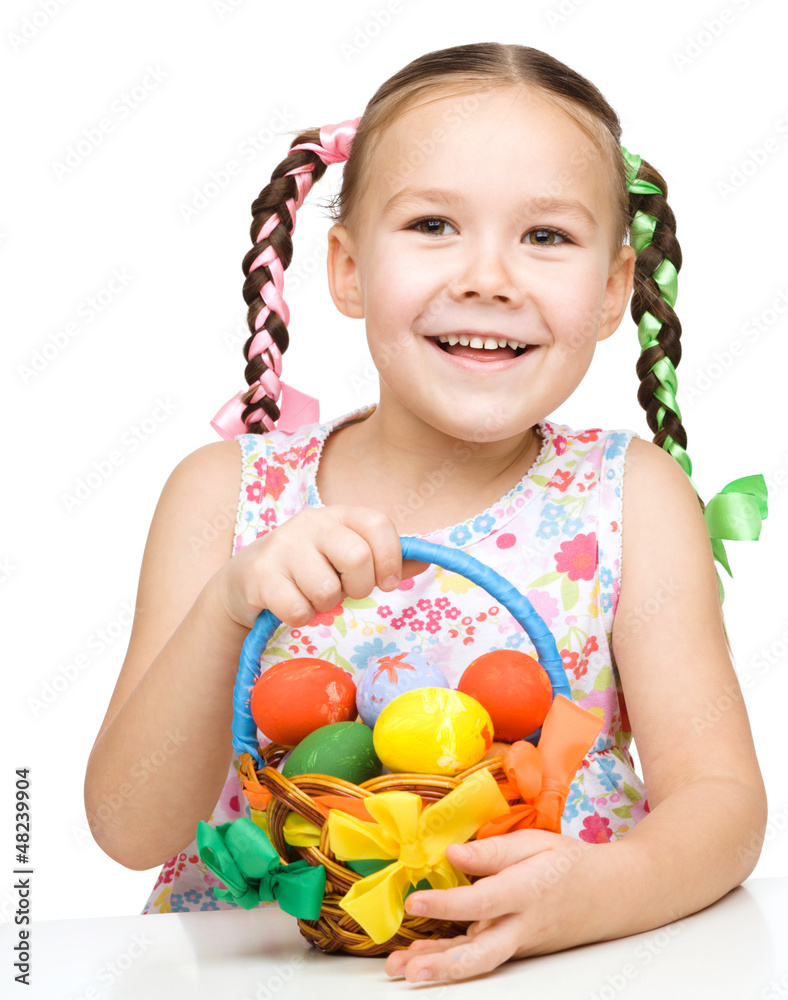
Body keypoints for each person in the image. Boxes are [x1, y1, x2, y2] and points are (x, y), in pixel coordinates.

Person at [84, 42, 768, 983]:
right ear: (348, 268)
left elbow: (724, 805)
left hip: (559, 977)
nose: (488, 276)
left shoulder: (631, 497)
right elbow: (129, 828)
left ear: (614, 290)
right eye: (433, 224)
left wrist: (598, 895)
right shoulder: (222, 496)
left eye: (546, 236)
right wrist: (228, 607)